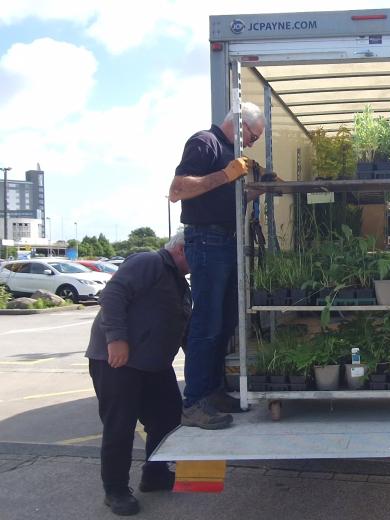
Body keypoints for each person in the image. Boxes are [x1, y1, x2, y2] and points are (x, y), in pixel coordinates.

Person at [168, 102, 264, 428]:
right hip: (207, 241)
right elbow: (177, 190)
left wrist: (256, 189)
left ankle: (214, 391)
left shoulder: (228, 151)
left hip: (225, 240)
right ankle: (194, 402)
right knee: (207, 324)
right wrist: (226, 174)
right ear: (240, 125)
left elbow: (223, 197)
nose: (252, 143)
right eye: (253, 136)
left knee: (224, 322)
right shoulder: (204, 143)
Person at [86, 231, 192, 516]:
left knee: (168, 415)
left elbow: (182, 328)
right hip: (118, 361)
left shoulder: (181, 284)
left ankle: (155, 474)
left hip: (154, 365)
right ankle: (115, 490)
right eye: (199, 250)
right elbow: (113, 294)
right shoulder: (149, 262)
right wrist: (116, 338)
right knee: (119, 426)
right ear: (182, 249)